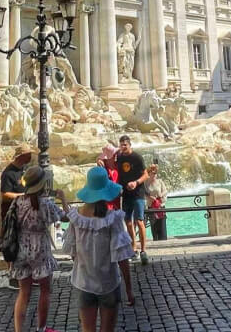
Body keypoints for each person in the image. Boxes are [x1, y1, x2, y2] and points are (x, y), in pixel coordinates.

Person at [62, 167, 136, 332]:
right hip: (108, 283)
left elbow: (73, 253)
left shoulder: (76, 217)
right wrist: (129, 289)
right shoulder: (113, 218)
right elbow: (122, 257)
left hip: (83, 283)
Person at [9, 166, 67, 332]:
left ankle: (19, 330)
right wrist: (63, 199)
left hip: (21, 248)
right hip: (40, 248)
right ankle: (41, 328)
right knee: (45, 290)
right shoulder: (45, 204)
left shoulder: (17, 201)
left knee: (23, 292)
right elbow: (67, 217)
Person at [114, 135, 149, 264]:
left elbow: (146, 174)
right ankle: (133, 248)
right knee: (128, 221)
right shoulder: (120, 157)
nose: (123, 147)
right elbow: (106, 158)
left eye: (125, 145)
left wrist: (136, 182)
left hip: (138, 193)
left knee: (139, 221)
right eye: (121, 144)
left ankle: (143, 250)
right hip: (126, 194)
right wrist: (98, 160)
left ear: (129, 145)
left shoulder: (137, 157)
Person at [1, 145, 32, 288]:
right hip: (11, 215)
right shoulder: (8, 173)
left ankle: (26, 275)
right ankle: (12, 275)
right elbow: (5, 194)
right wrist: (23, 196)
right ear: (21, 156)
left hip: (24, 213)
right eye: (28, 154)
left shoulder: (25, 169)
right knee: (11, 244)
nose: (31, 156)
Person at [143, 164, 168, 242]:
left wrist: (161, 195)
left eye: (155, 173)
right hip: (151, 207)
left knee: (162, 227)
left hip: (160, 206)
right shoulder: (146, 183)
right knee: (154, 227)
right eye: (152, 173)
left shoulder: (160, 181)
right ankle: (156, 242)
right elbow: (144, 193)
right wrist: (150, 197)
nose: (154, 175)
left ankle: (164, 243)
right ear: (149, 174)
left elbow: (165, 191)